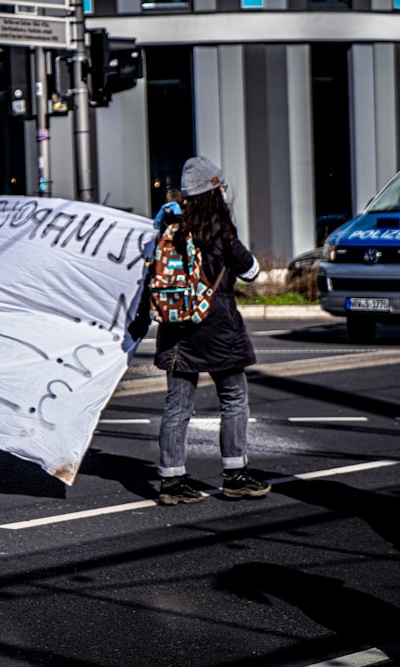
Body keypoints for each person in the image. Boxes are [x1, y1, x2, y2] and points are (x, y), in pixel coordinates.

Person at [131, 155, 271, 506]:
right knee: (234, 399)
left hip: (177, 328)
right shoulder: (219, 227)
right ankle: (235, 475)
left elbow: (151, 275)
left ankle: (171, 480)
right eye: (221, 187)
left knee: (178, 406)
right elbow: (251, 270)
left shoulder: (167, 227)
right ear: (214, 190)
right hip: (218, 327)